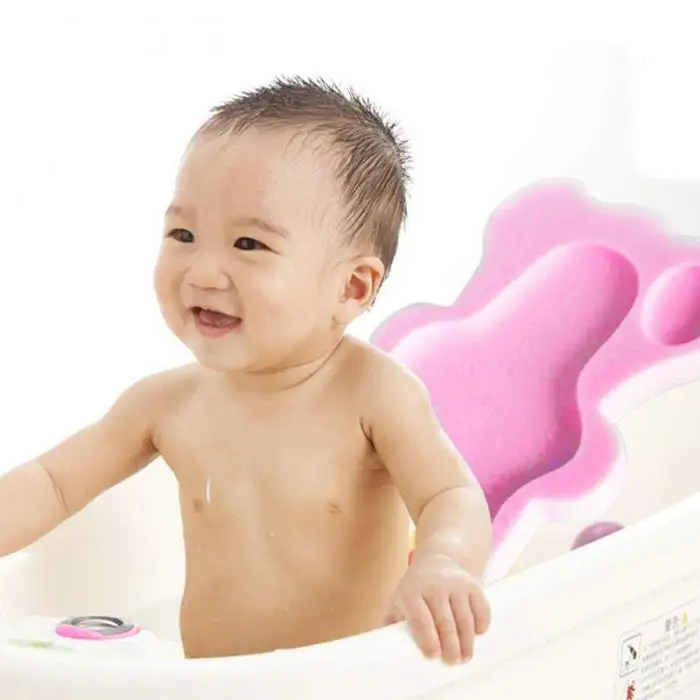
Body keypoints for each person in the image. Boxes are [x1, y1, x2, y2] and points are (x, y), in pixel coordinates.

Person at [0, 77, 492, 664]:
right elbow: (52, 483)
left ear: (352, 288)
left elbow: (449, 494)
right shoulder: (165, 404)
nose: (203, 272)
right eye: (183, 234)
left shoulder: (374, 394)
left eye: (249, 245)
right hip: (211, 684)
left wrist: (441, 562)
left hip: (347, 683)